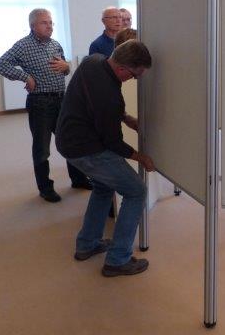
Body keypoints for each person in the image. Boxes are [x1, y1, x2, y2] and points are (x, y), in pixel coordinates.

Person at [56, 40, 155, 277]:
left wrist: (126, 118)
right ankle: (118, 260)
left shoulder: (94, 61)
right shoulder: (110, 96)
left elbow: (95, 104)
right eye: (134, 75)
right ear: (122, 68)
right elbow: (113, 143)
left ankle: (87, 244)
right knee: (136, 191)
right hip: (87, 150)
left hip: (67, 142)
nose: (134, 79)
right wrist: (141, 157)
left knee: (103, 186)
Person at [0, 8, 92, 203]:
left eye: (51, 22)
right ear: (33, 26)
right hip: (40, 103)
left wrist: (67, 67)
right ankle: (45, 188)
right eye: (44, 23)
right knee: (42, 149)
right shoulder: (23, 46)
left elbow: (64, 70)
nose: (50, 26)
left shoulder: (56, 44)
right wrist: (25, 76)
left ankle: (78, 179)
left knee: (70, 141)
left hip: (62, 100)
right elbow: (0, 65)